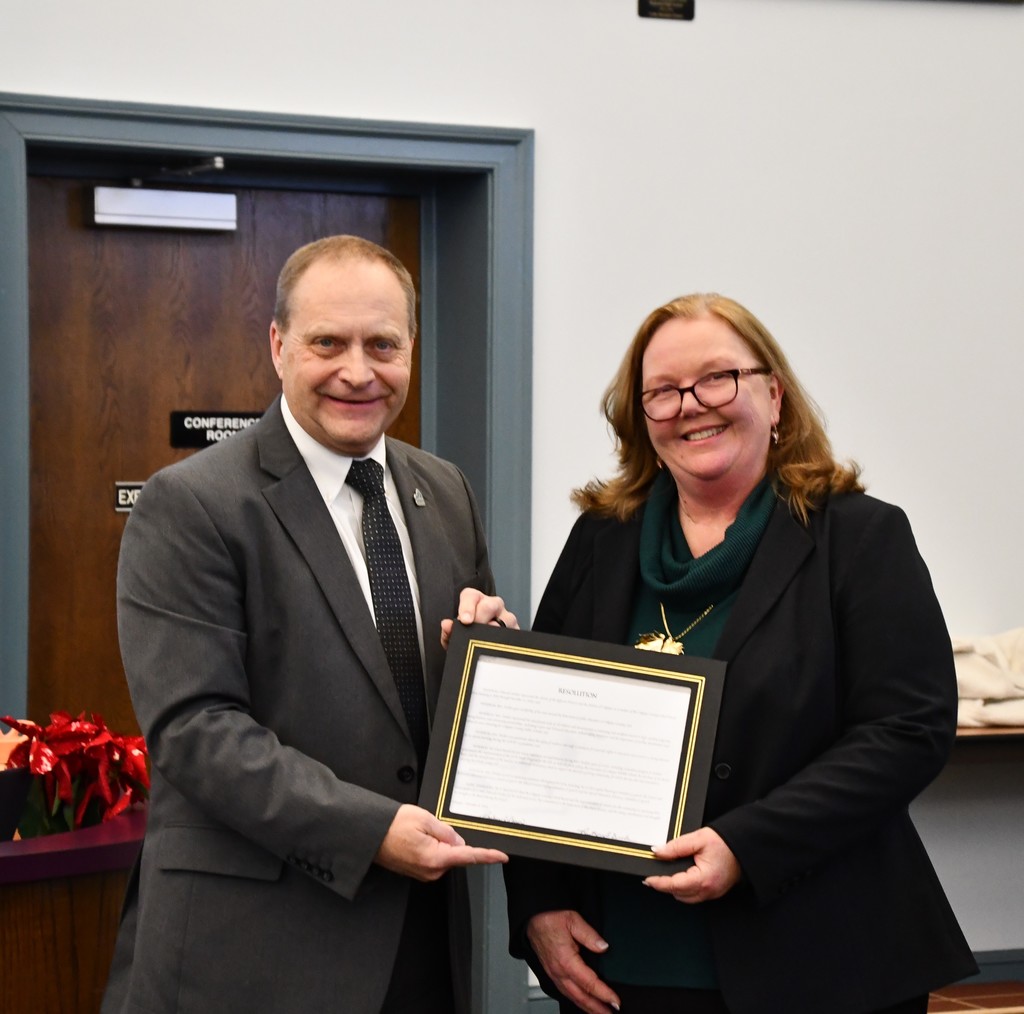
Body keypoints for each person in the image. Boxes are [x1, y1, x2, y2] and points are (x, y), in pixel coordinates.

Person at [504, 293, 977, 1014]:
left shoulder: (859, 537)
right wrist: (539, 903)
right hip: (620, 963)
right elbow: (542, 736)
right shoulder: (601, 539)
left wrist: (746, 845)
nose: (691, 405)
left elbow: (908, 730)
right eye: (663, 391)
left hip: (819, 959)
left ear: (774, 395)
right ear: (642, 416)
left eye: (718, 378)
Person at [102, 235, 514, 1014]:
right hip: (254, 954)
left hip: (422, 945)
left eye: (382, 344)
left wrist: (492, 663)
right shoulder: (192, 504)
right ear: (278, 345)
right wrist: (372, 831)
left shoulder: (445, 491)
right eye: (328, 342)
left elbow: (448, 711)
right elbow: (196, 730)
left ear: (411, 349)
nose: (358, 372)